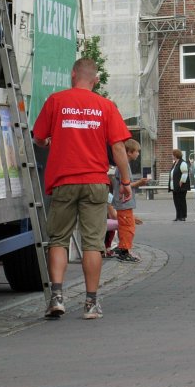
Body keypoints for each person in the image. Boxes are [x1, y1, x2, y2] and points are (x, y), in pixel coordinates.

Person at [32, 57, 132, 320]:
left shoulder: (56, 101)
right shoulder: (106, 106)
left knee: (58, 239)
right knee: (92, 243)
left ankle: (56, 297)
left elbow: (38, 137)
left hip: (63, 181)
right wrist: (126, 182)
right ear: (95, 80)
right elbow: (119, 147)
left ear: (73, 74)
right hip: (95, 184)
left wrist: (47, 143)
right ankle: (91, 304)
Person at [112, 138, 147, 262]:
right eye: (137, 151)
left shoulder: (124, 165)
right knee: (128, 227)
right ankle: (124, 250)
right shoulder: (124, 166)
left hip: (124, 202)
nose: (138, 153)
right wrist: (139, 182)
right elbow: (125, 185)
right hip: (124, 201)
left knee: (126, 225)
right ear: (129, 152)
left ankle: (122, 247)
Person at [168, 149, 190, 221]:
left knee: (181, 201)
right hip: (175, 186)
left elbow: (185, 173)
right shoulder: (175, 163)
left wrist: (182, 181)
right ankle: (178, 216)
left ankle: (183, 216)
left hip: (181, 186)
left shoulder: (182, 163)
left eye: (172, 154)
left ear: (175, 155)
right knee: (176, 201)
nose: (171, 156)